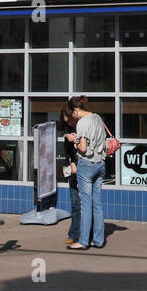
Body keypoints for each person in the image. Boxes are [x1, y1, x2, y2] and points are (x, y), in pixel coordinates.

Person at [63, 95, 108, 250]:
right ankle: (99, 240)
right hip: (100, 164)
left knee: (86, 204)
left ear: (76, 110)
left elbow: (82, 148)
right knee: (98, 203)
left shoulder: (82, 123)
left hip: (87, 165)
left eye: (71, 114)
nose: (71, 117)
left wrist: (72, 139)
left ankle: (83, 241)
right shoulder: (97, 118)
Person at [59, 105, 81, 247]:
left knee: (85, 204)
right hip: (72, 170)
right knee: (75, 203)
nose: (67, 122)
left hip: (85, 168)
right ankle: (73, 234)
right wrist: (71, 162)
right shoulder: (68, 131)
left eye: (69, 119)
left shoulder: (84, 127)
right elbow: (67, 151)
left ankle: (84, 234)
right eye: (65, 121)